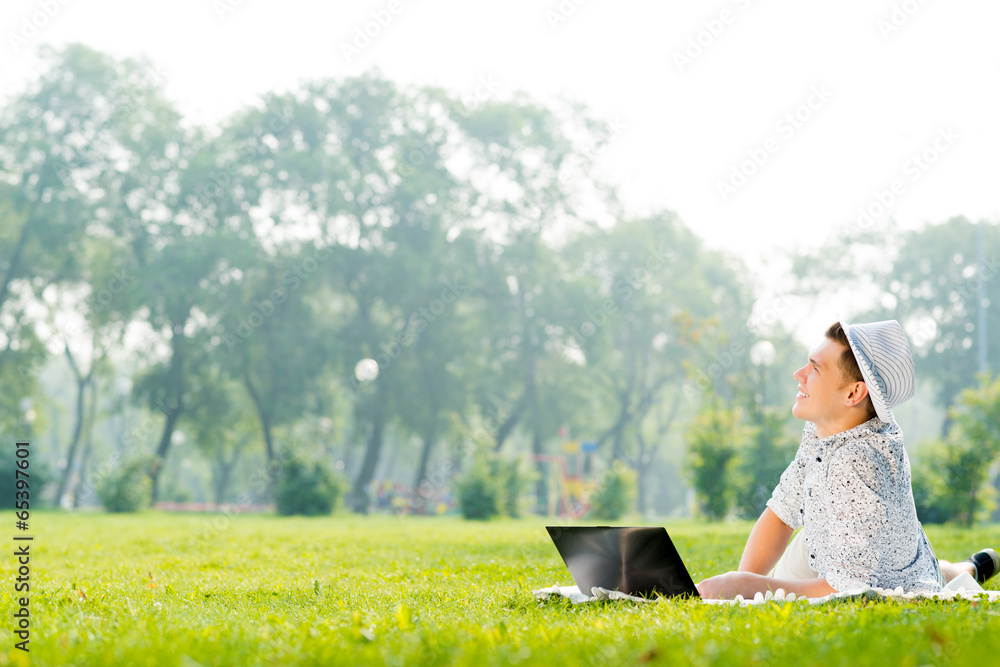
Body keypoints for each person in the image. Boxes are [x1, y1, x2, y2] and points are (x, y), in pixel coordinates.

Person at [695, 319, 998, 600]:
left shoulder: (855, 463)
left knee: (914, 579)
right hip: (838, 545)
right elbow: (783, 509)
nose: (798, 374)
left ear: (854, 393)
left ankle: (962, 570)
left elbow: (853, 590)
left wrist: (744, 588)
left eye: (815, 369)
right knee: (917, 568)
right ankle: (964, 568)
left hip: (877, 573)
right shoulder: (825, 428)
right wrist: (739, 584)